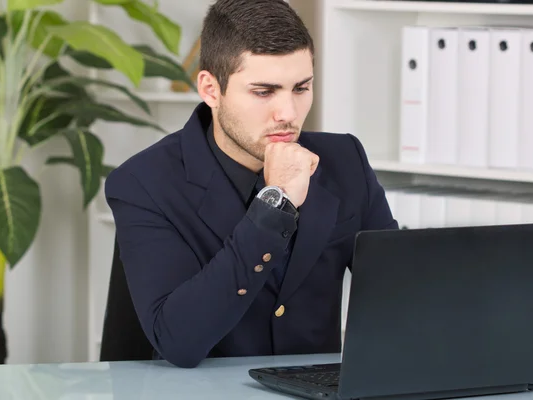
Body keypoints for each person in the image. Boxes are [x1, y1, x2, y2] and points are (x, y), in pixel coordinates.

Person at [104, 0, 398, 369]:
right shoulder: (143, 183)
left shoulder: (346, 160)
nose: (288, 114)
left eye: (301, 88)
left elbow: (399, 292)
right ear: (211, 89)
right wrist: (275, 204)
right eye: (264, 92)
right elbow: (178, 340)